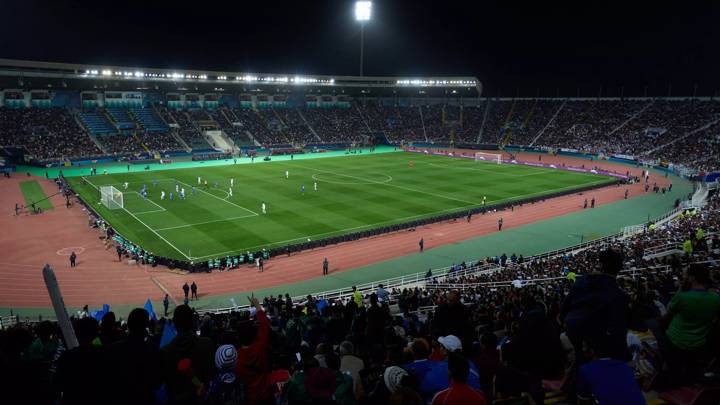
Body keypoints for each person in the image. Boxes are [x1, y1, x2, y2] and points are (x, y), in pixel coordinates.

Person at [161, 305, 215, 404]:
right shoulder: (207, 344)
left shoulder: (164, 352)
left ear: (175, 324)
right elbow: (212, 374)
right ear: (193, 322)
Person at [236, 295, 274, 404]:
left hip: (250, 398)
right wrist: (257, 305)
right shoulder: (260, 347)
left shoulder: (236, 357)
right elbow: (265, 324)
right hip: (267, 395)